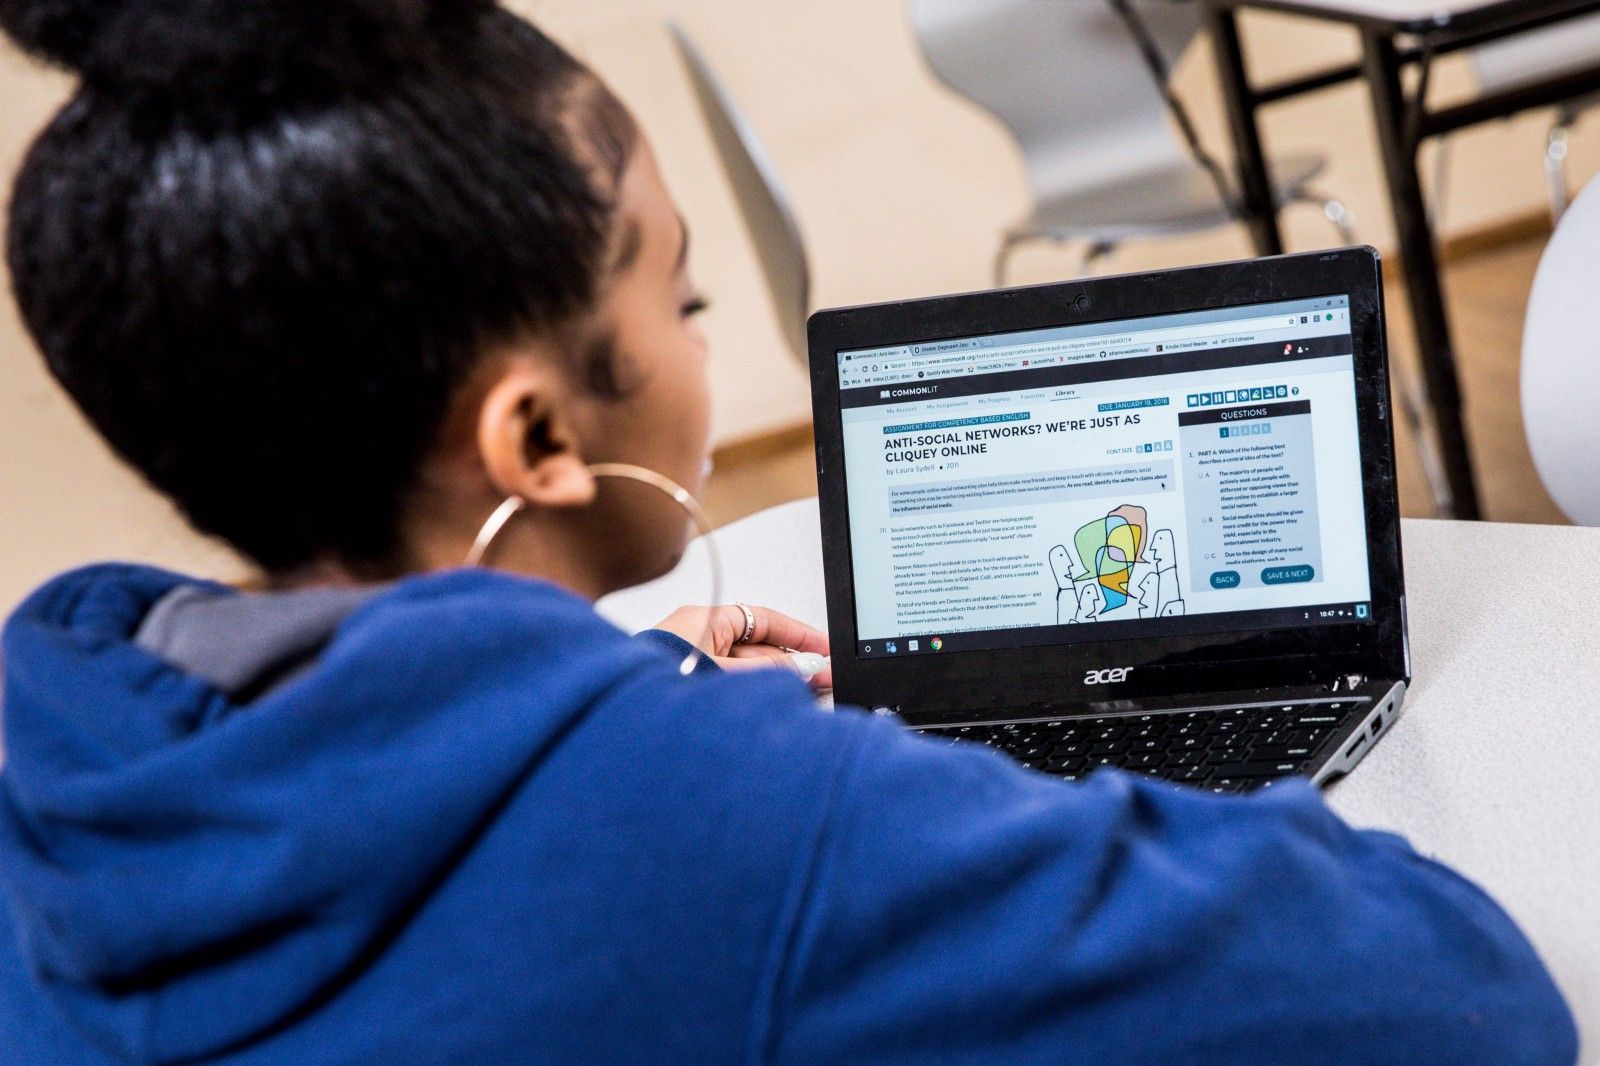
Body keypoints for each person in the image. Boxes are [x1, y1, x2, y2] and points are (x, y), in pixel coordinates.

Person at [0, 1, 1578, 1062]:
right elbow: (1465, 996)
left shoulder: (63, 743)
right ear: (539, 439)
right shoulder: (739, 830)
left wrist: (561, 691)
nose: (700, 336)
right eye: (678, 296)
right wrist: (834, 787)